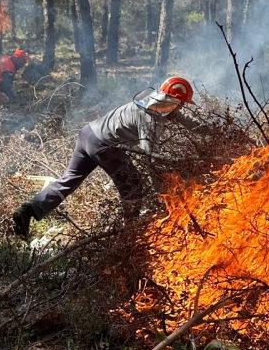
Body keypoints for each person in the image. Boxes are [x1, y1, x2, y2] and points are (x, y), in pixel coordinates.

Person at [11, 76, 195, 239]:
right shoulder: (150, 119)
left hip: (88, 133)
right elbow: (150, 156)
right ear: (170, 100)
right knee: (134, 186)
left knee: (68, 180)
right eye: (180, 104)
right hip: (104, 146)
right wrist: (165, 187)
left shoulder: (149, 102)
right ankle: (130, 234)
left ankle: (28, 211)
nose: (181, 108)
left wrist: (213, 130)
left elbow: (182, 120)